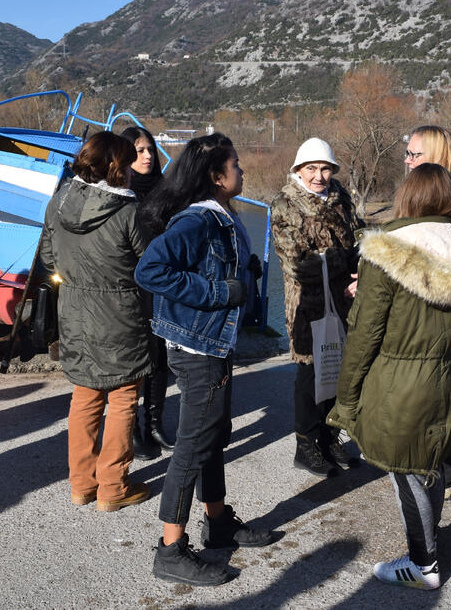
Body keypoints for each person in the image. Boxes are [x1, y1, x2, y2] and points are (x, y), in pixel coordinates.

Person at [327, 163, 451, 590]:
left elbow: (364, 335)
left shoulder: (389, 252)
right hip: (443, 377)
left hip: (396, 382)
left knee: (406, 472)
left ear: (407, 197)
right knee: (431, 462)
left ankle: (424, 564)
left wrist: (345, 402)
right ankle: (429, 544)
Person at [136, 133, 273, 587]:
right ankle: (169, 550)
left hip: (213, 344)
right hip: (197, 349)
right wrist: (219, 293)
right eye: (235, 164)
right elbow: (150, 270)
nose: (242, 170)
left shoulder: (222, 217)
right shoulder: (197, 222)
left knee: (214, 435)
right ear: (216, 176)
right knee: (193, 444)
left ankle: (217, 523)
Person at [39, 131, 152, 512]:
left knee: (85, 396)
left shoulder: (58, 203)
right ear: (116, 167)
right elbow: (150, 266)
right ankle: (113, 487)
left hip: (73, 311)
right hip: (119, 315)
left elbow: (48, 260)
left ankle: (81, 485)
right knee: (122, 398)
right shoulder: (127, 212)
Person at [270, 137, 363, 478]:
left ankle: (329, 435)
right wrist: (347, 257)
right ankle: (306, 444)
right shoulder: (285, 205)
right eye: (311, 169)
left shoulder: (340, 195)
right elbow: (297, 262)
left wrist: (359, 262)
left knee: (338, 369)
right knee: (311, 372)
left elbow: (359, 233)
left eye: (325, 169)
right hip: (308, 302)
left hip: (345, 297)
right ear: (298, 169)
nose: (319, 176)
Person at [405, 125, 451, 500]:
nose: (407, 160)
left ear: (434, 156)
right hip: (428, 315)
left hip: (444, 316)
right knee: (434, 390)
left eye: (415, 154)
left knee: (444, 393)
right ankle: (434, 465)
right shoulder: (438, 194)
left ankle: (446, 471)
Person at [122, 126, 175, 460]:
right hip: (128, 288)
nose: (147, 156)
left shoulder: (168, 191)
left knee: (159, 358)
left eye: (151, 150)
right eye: (139, 150)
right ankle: (131, 430)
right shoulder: (120, 192)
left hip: (160, 287)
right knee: (133, 360)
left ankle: (154, 423)